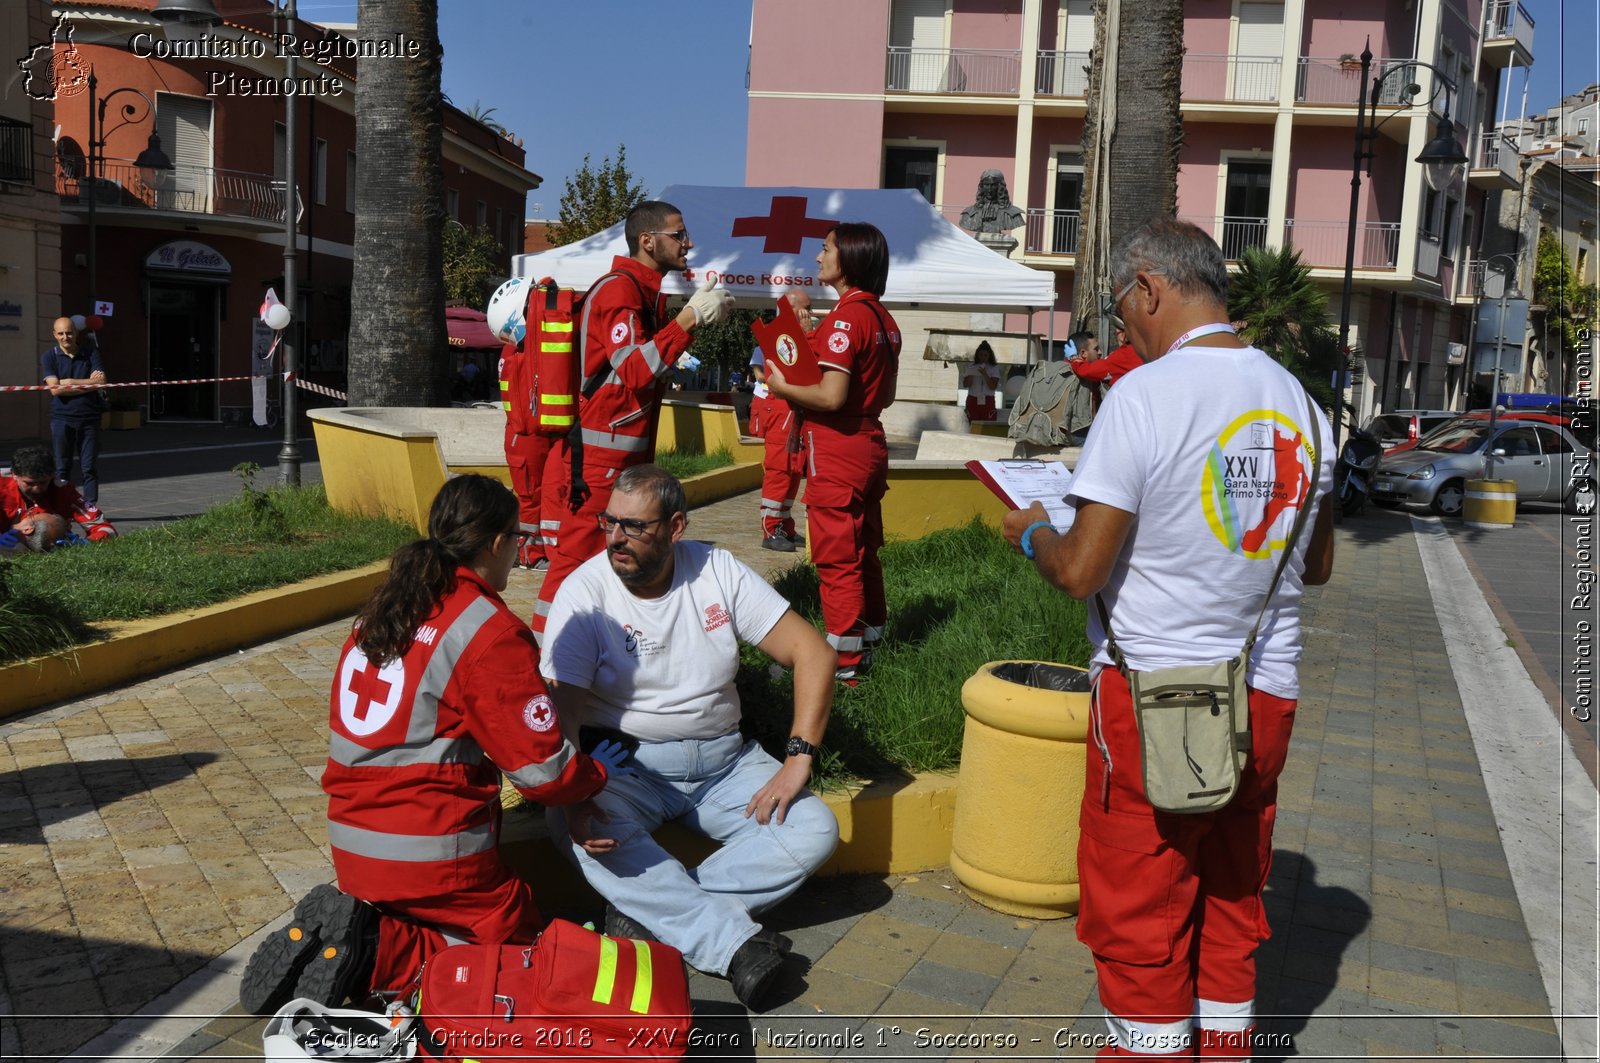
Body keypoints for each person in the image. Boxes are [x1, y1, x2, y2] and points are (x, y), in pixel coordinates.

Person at [1001, 218, 1335, 1062]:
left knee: (1138, 907)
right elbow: (1319, 562)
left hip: (1153, 700)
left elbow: (1081, 569)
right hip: (1266, 691)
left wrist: (1032, 530)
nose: (1124, 332)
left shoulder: (1144, 398)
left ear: (1148, 287)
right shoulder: (1303, 402)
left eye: (1121, 313)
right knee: (1231, 895)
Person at [238, 474, 631, 1016]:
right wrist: (595, 775)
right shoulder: (487, 631)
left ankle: (364, 936)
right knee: (513, 952)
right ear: (496, 543)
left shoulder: (382, 612)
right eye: (517, 540)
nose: (519, 556)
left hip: (355, 845)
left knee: (449, 926)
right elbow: (545, 774)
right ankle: (375, 955)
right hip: (432, 855)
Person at [540, 464, 840, 1012]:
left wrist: (798, 760)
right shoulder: (585, 593)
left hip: (728, 764)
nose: (615, 539)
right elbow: (561, 718)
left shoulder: (716, 571)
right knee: (575, 825)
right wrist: (576, 797)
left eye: (634, 527)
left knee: (815, 828)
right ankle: (733, 945)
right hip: (627, 768)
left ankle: (648, 912)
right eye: (610, 522)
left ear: (676, 526)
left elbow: (814, 654)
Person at [531, 200, 734, 645]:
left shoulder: (642, 293)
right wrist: (690, 317)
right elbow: (636, 371)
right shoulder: (619, 291)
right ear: (648, 241)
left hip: (615, 467)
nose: (689, 243)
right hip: (596, 468)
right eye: (678, 235)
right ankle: (543, 670)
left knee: (610, 570)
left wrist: (686, 321)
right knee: (575, 569)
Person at [765, 223, 900, 684]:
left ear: (849, 259)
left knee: (836, 558)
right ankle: (871, 646)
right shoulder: (882, 317)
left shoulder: (846, 319)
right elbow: (886, 392)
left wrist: (782, 386)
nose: (818, 256)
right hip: (868, 444)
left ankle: (843, 666)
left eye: (825, 249)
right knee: (863, 551)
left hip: (838, 450)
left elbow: (831, 396)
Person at [753, 291, 814, 552]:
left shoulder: (788, 334)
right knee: (780, 472)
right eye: (807, 308)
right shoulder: (781, 336)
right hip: (782, 414)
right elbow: (802, 367)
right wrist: (808, 335)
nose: (810, 313)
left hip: (793, 413)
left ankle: (784, 526)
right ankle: (771, 529)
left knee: (791, 472)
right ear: (793, 309)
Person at [40, 317, 107, 505]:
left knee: (89, 468)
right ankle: (63, 508)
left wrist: (69, 382)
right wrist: (89, 383)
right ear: (54, 335)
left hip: (89, 418)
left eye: (69, 332)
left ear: (76, 333)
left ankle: (91, 509)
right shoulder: (49, 356)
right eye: (60, 333)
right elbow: (55, 390)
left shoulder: (91, 353)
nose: (65, 337)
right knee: (62, 468)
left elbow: (101, 381)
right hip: (62, 419)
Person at [1, 444, 117, 544]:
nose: (36, 489)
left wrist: (87, 543)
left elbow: (106, 528)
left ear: (52, 475)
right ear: (14, 475)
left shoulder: (63, 490)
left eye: (43, 482)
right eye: (29, 483)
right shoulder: (2, 487)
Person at [1070, 323, 1144, 410]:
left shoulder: (1121, 356)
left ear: (1123, 336)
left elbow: (1085, 370)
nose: (1100, 352)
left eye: (1117, 333)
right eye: (1096, 349)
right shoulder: (1147, 349)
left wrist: (1074, 359)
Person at [962, 341, 1001, 422]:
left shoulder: (993, 368)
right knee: (972, 424)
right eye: (981, 355)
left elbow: (993, 386)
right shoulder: (971, 366)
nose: (983, 357)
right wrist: (971, 373)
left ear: (989, 356)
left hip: (988, 400)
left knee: (988, 425)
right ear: (977, 355)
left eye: (985, 355)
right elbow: (965, 385)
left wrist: (985, 374)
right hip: (973, 399)